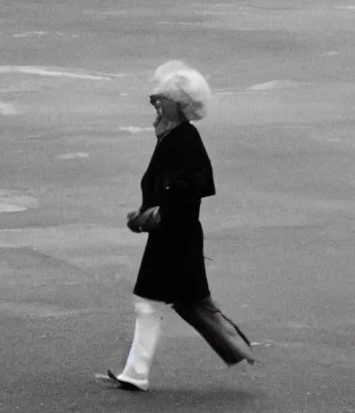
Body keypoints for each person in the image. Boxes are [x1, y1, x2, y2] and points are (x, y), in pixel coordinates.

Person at [100, 61, 254, 391]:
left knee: (156, 302)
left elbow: (186, 191)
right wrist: (146, 212)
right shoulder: (176, 135)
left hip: (175, 236)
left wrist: (152, 217)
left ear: (180, 105)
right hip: (174, 234)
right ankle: (139, 371)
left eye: (161, 99)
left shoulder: (184, 139)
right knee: (188, 302)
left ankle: (137, 373)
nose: (154, 102)